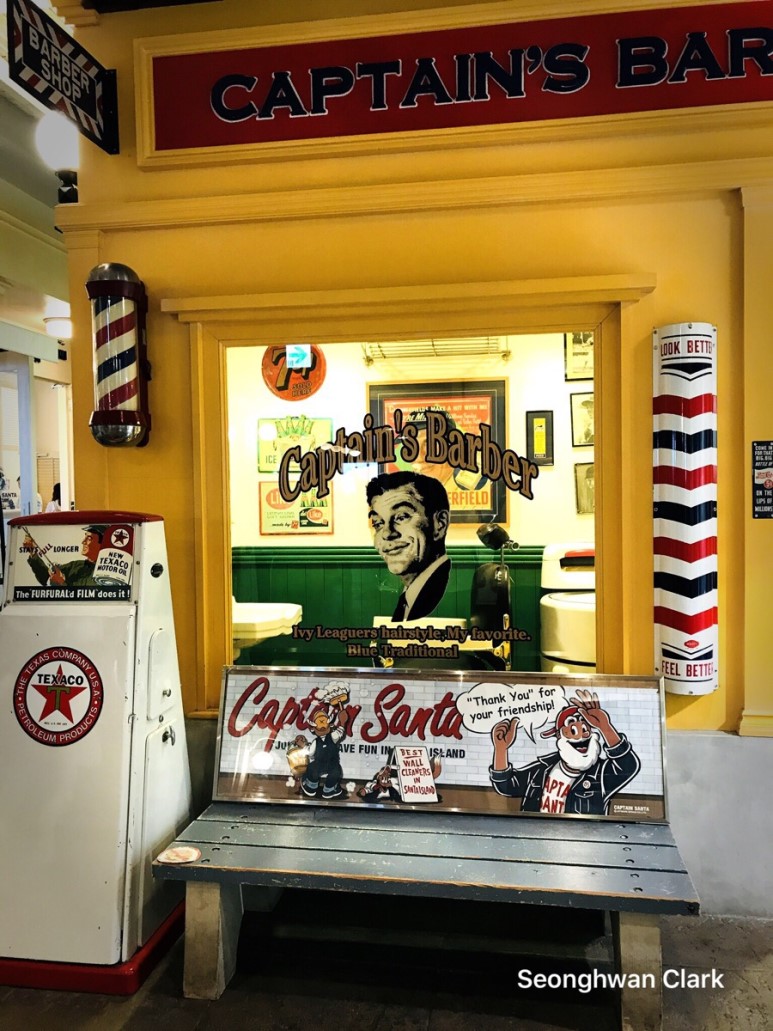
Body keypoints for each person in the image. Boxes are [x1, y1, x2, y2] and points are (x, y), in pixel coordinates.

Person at [488, 689, 640, 816]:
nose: (581, 735)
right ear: (559, 736)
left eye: (585, 728)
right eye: (573, 729)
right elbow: (507, 786)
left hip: (583, 838)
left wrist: (605, 727)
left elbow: (628, 767)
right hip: (537, 836)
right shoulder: (541, 770)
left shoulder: (600, 774)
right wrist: (501, 749)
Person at [366, 470, 451, 621]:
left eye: (401, 517)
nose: (387, 533)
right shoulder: (410, 594)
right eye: (378, 523)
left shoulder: (442, 593)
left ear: (440, 524)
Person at [23, 523, 107, 587]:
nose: (83, 542)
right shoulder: (75, 565)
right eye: (85, 537)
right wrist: (32, 552)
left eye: (89, 538)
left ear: (102, 544)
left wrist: (62, 583)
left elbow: (84, 599)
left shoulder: (105, 573)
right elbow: (46, 577)